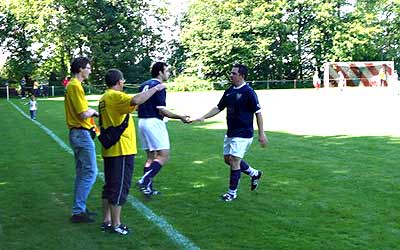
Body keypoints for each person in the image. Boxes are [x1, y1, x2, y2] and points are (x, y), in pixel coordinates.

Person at [99, 69, 166, 235]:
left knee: (109, 186)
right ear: (119, 82)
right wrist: (156, 88)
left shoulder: (104, 98)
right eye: (122, 81)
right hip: (121, 150)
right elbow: (136, 99)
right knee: (119, 187)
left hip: (110, 150)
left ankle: (107, 220)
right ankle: (116, 225)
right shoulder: (115, 96)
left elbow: (130, 107)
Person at [193, 64, 268, 202]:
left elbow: (258, 113)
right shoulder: (229, 91)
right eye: (231, 73)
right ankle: (255, 173)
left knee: (234, 161)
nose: (231, 75)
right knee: (228, 159)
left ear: (242, 76)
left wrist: (261, 134)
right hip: (231, 132)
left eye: (234, 73)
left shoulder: (249, 92)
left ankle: (231, 193)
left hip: (244, 133)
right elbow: (218, 107)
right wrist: (203, 117)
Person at [136, 62, 190, 196]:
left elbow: (138, 105)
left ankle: (147, 187)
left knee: (151, 156)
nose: (168, 73)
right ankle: (144, 180)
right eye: (167, 70)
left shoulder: (144, 85)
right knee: (163, 156)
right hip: (154, 123)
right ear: (160, 72)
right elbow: (162, 111)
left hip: (142, 121)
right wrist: (180, 116)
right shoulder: (159, 87)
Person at [64, 56, 99, 223]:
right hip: (81, 134)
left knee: (81, 173)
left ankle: (80, 208)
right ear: (80, 69)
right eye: (88, 67)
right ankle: (78, 211)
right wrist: (94, 111)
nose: (90, 70)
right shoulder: (75, 86)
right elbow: (83, 113)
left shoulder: (73, 85)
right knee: (91, 172)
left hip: (77, 134)